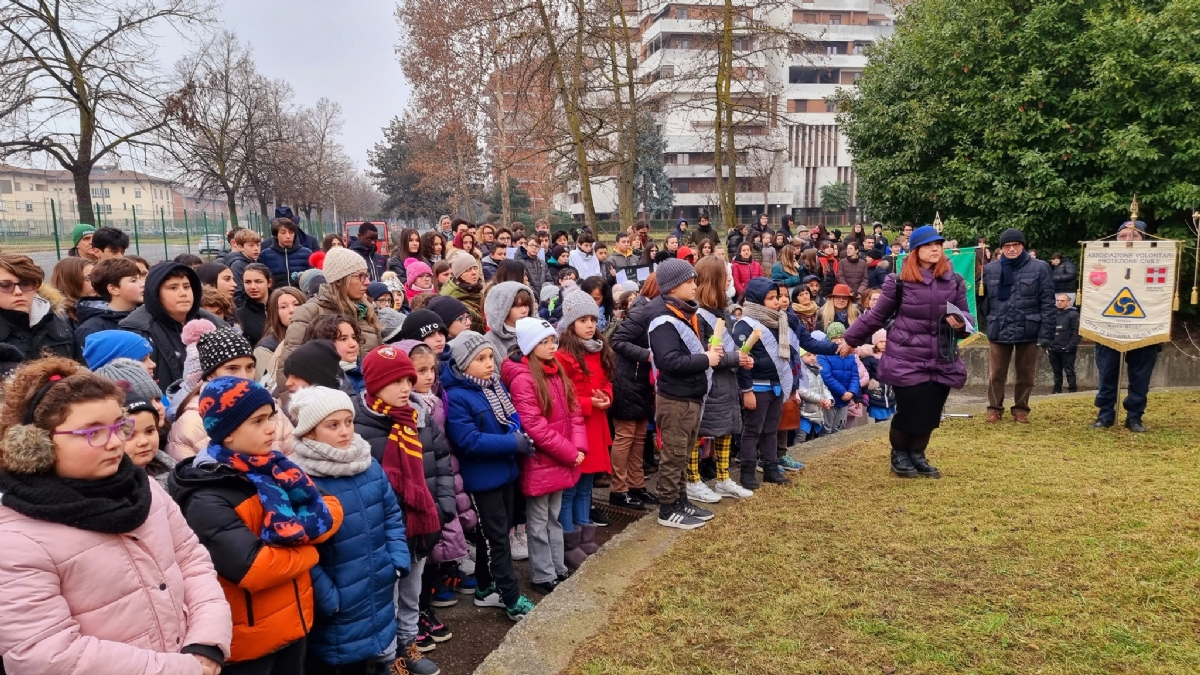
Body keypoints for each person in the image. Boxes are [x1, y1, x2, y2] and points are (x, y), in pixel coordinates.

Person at [0, 357, 232, 675]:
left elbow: (192, 562)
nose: (114, 443)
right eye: (93, 432)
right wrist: (180, 669)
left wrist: (206, 642)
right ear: (38, 444)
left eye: (118, 427)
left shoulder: (143, 488)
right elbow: (44, 654)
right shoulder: (16, 540)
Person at [172, 376, 344, 674]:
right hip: (250, 643)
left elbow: (332, 508)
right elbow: (255, 568)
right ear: (226, 432)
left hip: (294, 622)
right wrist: (311, 553)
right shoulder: (208, 494)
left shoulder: (277, 467)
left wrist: (293, 537)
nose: (271, 427)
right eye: (258, 421)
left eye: (271, 416)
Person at [286, 385, 412, 675]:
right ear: (308, 432)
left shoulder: (369, 465)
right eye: (332, 425)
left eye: (348, 421)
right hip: (336, 604)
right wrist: (328, 597)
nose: (345, 431)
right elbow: (300, 547)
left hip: (375, 588)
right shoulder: (299, 480)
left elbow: (391, 514)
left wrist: (395, 560)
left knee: (362, 662)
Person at [843, 225, 973, 478]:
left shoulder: (954, 280)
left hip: (942, 356)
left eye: (938, 244)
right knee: (911, 408)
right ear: (915, 251)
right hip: (906, 357)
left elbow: (965, 316)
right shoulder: (898, 282)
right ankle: (899, 453)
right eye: (928, 245)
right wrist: (850, 340)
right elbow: (876, 316)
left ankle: (918, 453)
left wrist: (961, 323)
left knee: (932, 411)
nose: (935, 248)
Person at [441, 331, 537, 621]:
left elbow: (511, 416)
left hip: (505, 472)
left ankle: (484, 587)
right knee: (497, 540)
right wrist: (512, 443)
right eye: (479, 359)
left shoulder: (494, 386)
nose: (488, 364)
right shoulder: (457, 397)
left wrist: (516, 434)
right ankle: (511, 598)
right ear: (462, 363)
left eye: (490, 357)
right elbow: (468, 440)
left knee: (493, 535)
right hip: (482, 479)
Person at [500, 318, 585, 587]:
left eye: (552, 341)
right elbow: (534, 426)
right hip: (542, 460)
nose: (551, 347)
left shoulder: (556, 371)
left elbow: (574, 413)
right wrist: (569, 452)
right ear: (529, 345)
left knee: (553, 517)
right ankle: (542, 574)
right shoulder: (524, 380)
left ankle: (557, 566)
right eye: (544, 342)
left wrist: (578, 447)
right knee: (538, 521)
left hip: (561, 458)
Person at [735, 277, 837, 489]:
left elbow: (806, 343)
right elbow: (741, 360)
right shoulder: (745, 324)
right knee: (753, 430)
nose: (777, 302)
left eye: (778, 297)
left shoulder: (784, 320)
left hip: (778, 384)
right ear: (756, 300)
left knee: (772, 429)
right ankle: (748, 471)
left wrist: (837, 348)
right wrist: (747, 390)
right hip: (758, 385)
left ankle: (771, 467)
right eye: (771, 298)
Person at [645, 259, 722, 529]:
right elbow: (669, 362)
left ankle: (680, 500)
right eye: (689, 281)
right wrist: (706, 360)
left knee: (684, 452)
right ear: (673, 287)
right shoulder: (663, 321)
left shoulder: (686, 314)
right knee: (674, 455)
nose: (694, 285)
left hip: (690, 396)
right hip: (675, 399)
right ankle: (668, 508)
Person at [554, 290, 613, 555]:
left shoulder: (599, 350)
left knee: (587, 485)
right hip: (577, 429)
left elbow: (606, 382)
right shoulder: (563, 356)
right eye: (583, 320)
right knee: (571, 486)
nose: (590, 325)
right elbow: (563, 396)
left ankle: (586, 534)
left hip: (596, 425)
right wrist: (590, 403)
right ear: (570, 324)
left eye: (593, 318)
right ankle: (569, 540)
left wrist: (606, 396)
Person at [692, 258, 754, 501]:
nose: (729, 279)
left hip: (727, 382)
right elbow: (705, 353)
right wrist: (735, 358)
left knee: (725, 430)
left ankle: (723, 478)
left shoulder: (722, 311)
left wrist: (741, 358)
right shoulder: (697, 314)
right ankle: (693, 480)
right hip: (708, 385)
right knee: (700, 432)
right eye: (724, 276)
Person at [275, 247, 382, 385]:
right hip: (326, 400)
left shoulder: (367, 309)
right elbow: (288, 368)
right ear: (339, 280)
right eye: (360, 276)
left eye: (367, 275)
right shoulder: (309, 313)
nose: (367, 281)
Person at [982, 228, 1055, 424]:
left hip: (1029, 327)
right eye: (1007, 245)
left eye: (1015, 245)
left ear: (1022, 246)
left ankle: (1021, 409)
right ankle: (994, 408)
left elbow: (1048, 301)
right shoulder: (990, 269)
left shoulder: (1040, 268)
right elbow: (985, 302)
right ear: (1002, 248)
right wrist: (985, 324)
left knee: (1026, 375)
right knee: (996, 373)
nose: (1012, 248)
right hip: (999, 325)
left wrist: (1046, 333)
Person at [1092, 221, 1160, 432]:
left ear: (1143, 239)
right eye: (1122, 236)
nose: (1128, 240)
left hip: (1143, 328)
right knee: (1107, 374)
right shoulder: (1104, 262)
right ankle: (1105, 415)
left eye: (1134, 235)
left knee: (1140, 377)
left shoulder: (1156, 262)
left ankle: (1134, 417)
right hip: (1110, 327)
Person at [121, 261, 226, 391]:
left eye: (187, 287)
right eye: (173, 288)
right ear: (155, 293)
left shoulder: (214, 323)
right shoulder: (138, 331)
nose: (183, 293)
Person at [607, 274, 660, 511]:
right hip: (627, 380)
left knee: (639, 436)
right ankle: (619, 490)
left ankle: (636, 486)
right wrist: (648, 355)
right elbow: (618, 341)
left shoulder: (652, 310)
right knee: (626, 436)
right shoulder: (642, 311)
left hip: (640, 382)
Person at [0, 253, 77, 362]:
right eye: (5, 285)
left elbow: (80, 368)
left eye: (25, 284)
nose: (18, 292)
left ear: (36, 287)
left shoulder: (59, 319)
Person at [74, 256, 143, 345]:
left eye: (140, 278)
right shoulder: (92, 329)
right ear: (113, 289)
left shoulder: (147, 317)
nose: (142, 284)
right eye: (133, 280)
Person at [816, 323, 860, 434]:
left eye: (841, 337)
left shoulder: (850, 354)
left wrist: (852, 392)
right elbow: (826, 376)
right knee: (826, 430)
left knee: (839, 430)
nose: (839, 341)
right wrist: (843, 392)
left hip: (845, 400)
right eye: (835, 338)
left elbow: (855, 375)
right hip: (830, 399)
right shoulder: (823, 354)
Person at [254, 287, 305, 382]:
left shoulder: (319, 337)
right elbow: (267, 386)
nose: (292, 310)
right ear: (275, 313)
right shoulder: (265, 349)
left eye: (297, 304)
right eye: (283, 307)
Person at [259, 217, 312, 290]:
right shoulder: (265, 255)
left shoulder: (307, 253)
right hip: (276, 297)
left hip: (301, 297)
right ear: (276, 235)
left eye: (291, 232)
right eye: (283, 233)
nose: (288, 236)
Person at [440, 255, 486, 333]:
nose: (474, 273)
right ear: (459, 275)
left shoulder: (479, 290)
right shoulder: (451, 298)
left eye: (475, 268)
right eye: (468, 270)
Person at [1048, 293, 1080, 395]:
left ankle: (1073, 390)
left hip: (1067, 349)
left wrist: (1070, 346)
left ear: (1068, 302)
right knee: (1056, 372)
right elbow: (1048, 330)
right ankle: (1057, 390)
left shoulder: (1073, 315)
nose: (1059, 302)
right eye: (1058, 300)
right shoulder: (1053, 314)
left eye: (1062, 301)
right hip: (1054, 348)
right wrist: (1048, 345)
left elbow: (1077, 333)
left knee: (1069, 371)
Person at [236, 263, 271, 347]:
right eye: (248, 282)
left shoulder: (281, 307)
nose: (252, 287)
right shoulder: (239, 314)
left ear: (269, 283)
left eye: (258, 281)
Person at [516, 232, 549, 297]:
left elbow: (549, 280)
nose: (534, 248)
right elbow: (524, 283)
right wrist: (536, 296)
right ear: (526, 246)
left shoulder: (543, 263)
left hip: (544, 297)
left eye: (537, 246)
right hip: (529, 296)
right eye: (531, 245)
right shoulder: (520, 263)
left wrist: (546, 293)